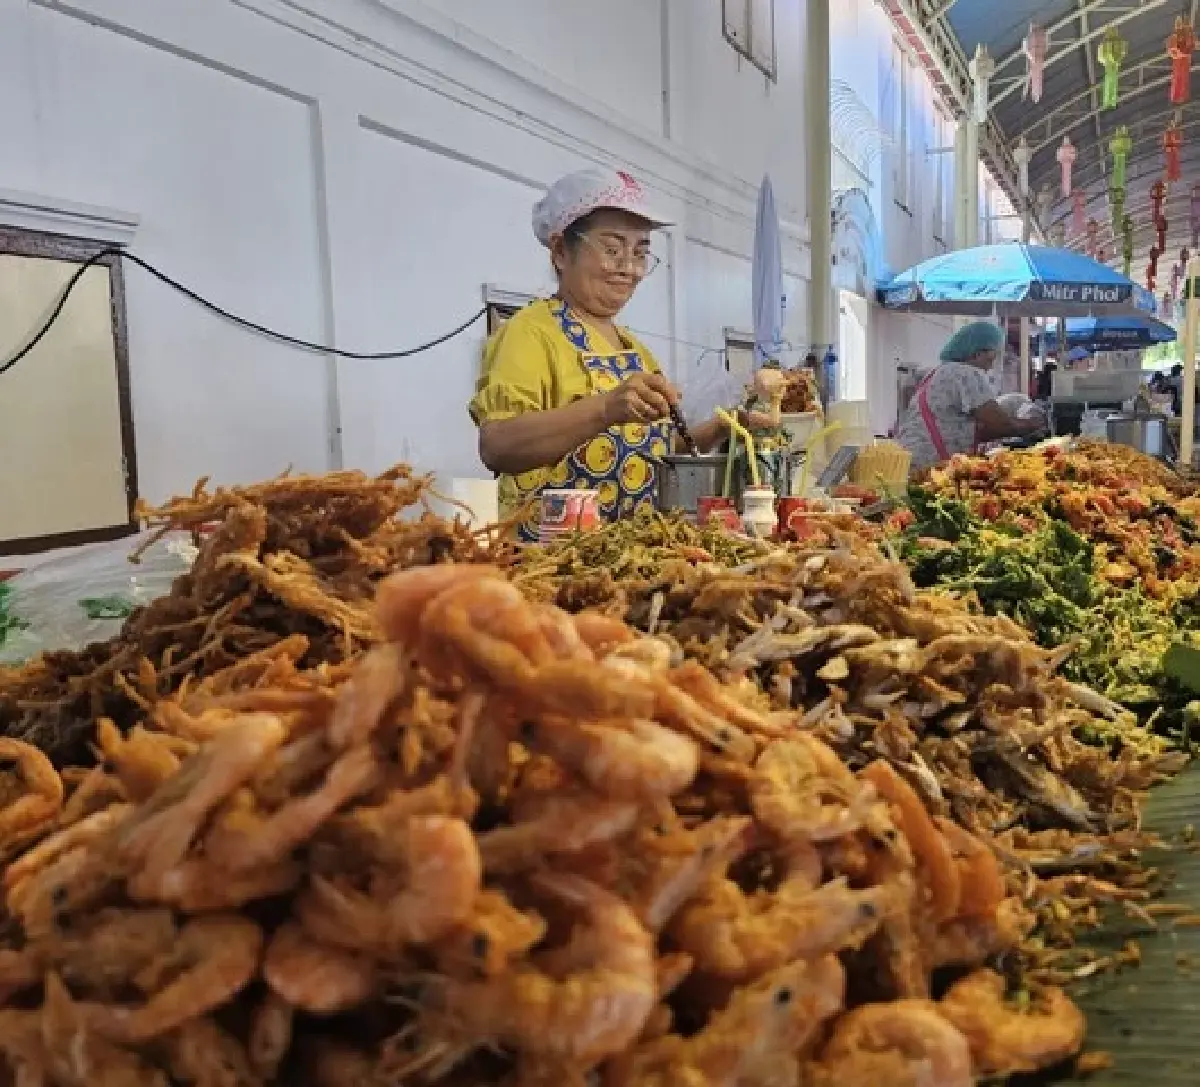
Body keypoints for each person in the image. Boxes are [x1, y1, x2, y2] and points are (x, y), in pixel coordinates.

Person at [470, 167, 755, 541]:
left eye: (640, 253)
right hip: (549, 561)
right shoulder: (530, 333)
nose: (629, 269)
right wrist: (605, 409)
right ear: (560, 251)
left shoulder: (635, 350)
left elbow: (655, 447)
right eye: (612, 249)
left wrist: (722, 428)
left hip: (628, 553)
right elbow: (498, 445)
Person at [897, 321, 1046, 472]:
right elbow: (1000, 424)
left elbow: (955, 426)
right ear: (977, 353)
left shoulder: (938, 372)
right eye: (990, 359)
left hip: (907, 459)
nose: (990, 367)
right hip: (929, 465)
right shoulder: (967, 373)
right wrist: (1034, 424)